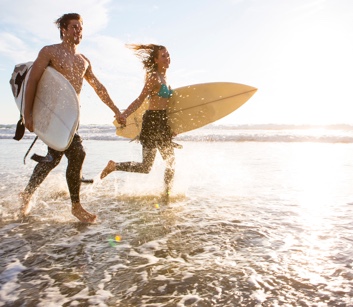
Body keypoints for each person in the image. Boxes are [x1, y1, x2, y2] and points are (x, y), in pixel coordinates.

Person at [20, 13, 124, 223]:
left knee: (53, 159)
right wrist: (27, 113)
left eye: (81, 27)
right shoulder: (50, 52)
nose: (79, 31)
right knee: (78, 153)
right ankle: (76, 206)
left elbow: (99, 88)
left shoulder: (83, 60)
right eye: (74, 27)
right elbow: (32, 81)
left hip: (71, 120)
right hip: (52, 116)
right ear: (64, 30)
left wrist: (116, 109)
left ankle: (27, 194)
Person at [100, 44, 176, 200]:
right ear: (156, 60)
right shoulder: (154, 78)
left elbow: (169, 108)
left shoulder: (166, 79)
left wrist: (173, 127)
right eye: (163, 56)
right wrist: (124, 114)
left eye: (167, 55)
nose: (167, 58)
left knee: (171, 162)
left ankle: (167, 194)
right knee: (146, 167)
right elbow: (140, 100)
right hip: (152, 123)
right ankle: (114, 166)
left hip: (163, 123)